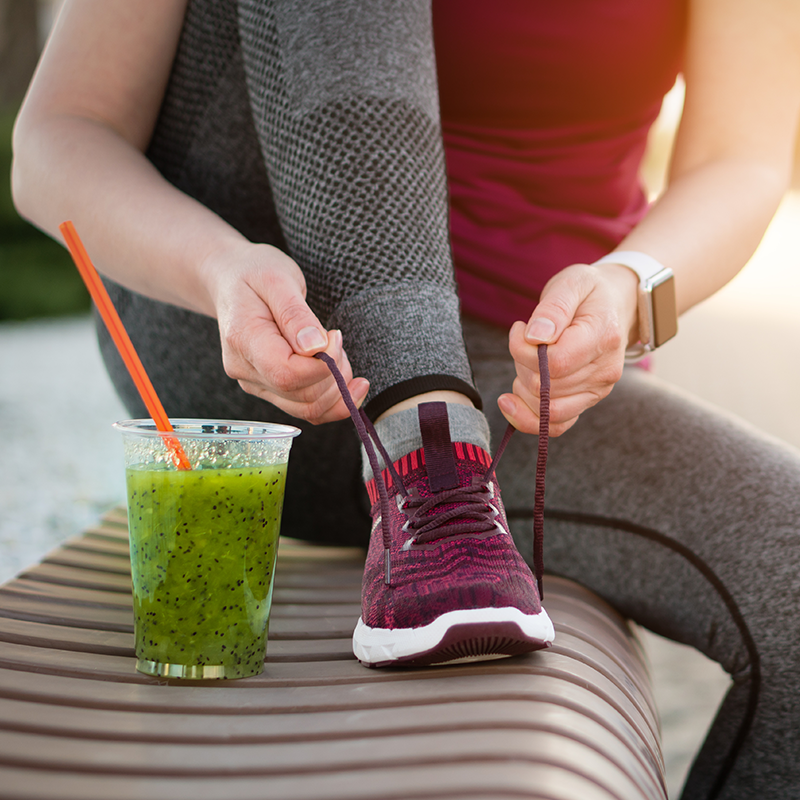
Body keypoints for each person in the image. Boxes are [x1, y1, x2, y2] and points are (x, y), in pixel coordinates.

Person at [11, 1, 800, 797]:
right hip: (277, 335)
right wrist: (218, 268)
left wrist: (630, 289)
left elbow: (741, 158)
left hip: (527, 378)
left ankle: (442, 457)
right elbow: (58, 136)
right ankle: (427, 451)